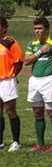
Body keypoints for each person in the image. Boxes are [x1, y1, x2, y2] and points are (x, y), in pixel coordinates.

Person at [24, 17, 52, 152]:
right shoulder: (32, 44)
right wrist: (40, 52)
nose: (37, 31)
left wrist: (50, 49)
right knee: (37, 112)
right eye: (35, 29)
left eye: (40, 28)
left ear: (47, 29)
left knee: (51, 112)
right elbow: (26, 61)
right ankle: (40, 144)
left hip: (48, 80)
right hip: (34, 80)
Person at [0, 17, 23, 152]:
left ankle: (16, 141)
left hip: (7, 81)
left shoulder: (10, 42)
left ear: (4, 28)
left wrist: (13, 76)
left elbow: (18, 62)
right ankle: (0, 142)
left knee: (11, 111)